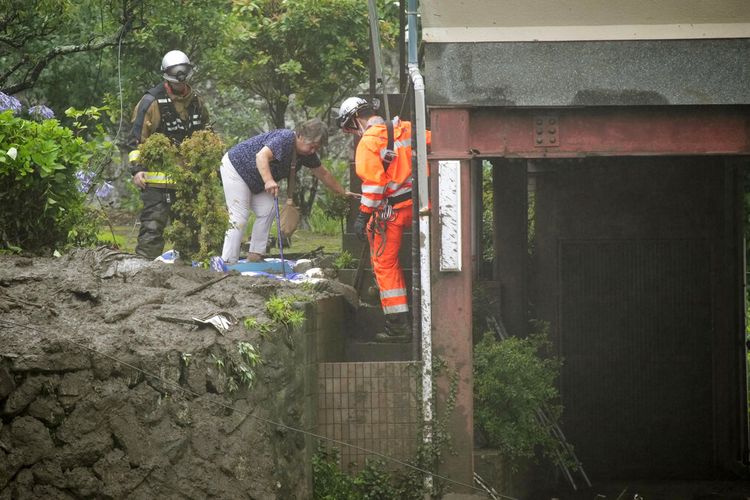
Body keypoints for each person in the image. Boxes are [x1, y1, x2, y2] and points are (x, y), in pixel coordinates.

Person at [336, 97, 428, 342]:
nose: (353, 134)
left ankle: (398, 325)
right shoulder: (407, 128)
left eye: (350, 129)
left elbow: (375, 186)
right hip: (423, 206)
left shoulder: (368, 143)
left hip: (393, 212)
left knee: (385, 264)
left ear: (356, 120)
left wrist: (363, 216)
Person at [220, 118, 353, 263]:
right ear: (300, 136)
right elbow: (261, 156)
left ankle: (255, 255)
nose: (313, 151)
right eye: (312, 146)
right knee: (239, 216)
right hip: (236, 168)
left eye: (317, 148)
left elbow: (323, 173)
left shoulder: (306, 154)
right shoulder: (285, 139)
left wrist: (343, 193)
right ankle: (228, 261)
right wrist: (269, 180)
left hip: (255, 178)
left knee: (269, 208)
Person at [126, 50, 210, 259]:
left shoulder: (197, 102)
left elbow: (206, 136)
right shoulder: (150, 102)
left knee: (189, 232)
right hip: (155, 182)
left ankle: (187, 276)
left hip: (186, 180)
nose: (181, 84)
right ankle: (143, 271)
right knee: (152, 229)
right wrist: (137, 170)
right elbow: (135, 140)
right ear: (167, 76)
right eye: (176, 79)